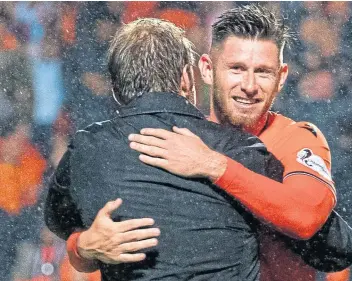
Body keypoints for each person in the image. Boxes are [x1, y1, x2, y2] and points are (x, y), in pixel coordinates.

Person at [65, 4, 352, 281]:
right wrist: (82, 247)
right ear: (205, 70)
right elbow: (108, 243)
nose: (250, 86)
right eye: (237, 69)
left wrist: (214, 166)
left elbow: (306, 217)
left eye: (263, 72)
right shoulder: (170, 142)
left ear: (281, 78)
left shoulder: (297, 138)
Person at [45, 17, 288, 280]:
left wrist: (81, 246)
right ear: (186, 78)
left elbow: (59, 222)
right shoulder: (242, 150)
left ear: (116, 89)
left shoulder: (88, 150)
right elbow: (323, 241)